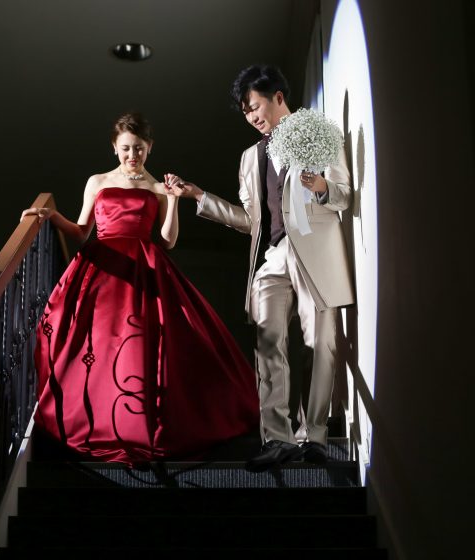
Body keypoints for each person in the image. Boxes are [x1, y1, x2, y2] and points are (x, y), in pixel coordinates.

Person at [20, 112, 259, 466]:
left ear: (150, 148)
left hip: (145, 268)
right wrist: (52, 217)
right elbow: (82, 232)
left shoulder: (158, 188)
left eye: (139, 149)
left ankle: (135, 424)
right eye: (126, 148)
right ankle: (95, 421)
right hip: (103, 267)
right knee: (97, 345)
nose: (132, 155)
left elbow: (167, 241)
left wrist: (173, 200)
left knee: (139, 348)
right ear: (115, 148)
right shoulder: (97, 181)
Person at [166, 65, 355, 471]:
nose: (251, 117)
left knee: (320, 343)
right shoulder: (250, 158)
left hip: (314, 254)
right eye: (246, 112)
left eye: (254, 107)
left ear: (278, 98)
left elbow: (343, 195)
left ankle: (314, 435)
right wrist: (199, 197)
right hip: (271, 257)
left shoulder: (319, 133)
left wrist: (322, 187)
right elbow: (250, 220)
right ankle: (277, 439)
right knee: (269, 345)